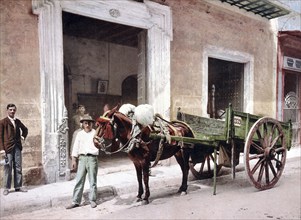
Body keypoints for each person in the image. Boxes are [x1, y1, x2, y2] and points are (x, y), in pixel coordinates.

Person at [66, 115, 99, 209]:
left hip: (92, 158)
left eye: (89, 123)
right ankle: (75, 201)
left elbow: (101, 145)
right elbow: (76, 147)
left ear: (92, 123)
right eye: (85, 123)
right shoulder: (79, 134)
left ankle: (92, 200)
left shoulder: (96, 133)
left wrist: (99, 143)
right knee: (79, 180)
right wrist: (74, 159)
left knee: (92, 180)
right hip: (82, 159)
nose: (87, 125)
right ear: (83, 124)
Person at [0, 103, 28, 196]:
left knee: (18, 166)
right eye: (10, 110)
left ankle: (18, 186)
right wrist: (2, 150)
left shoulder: (17, 121)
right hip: (8, 148)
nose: (12, 111)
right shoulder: (3, 122)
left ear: (15, 111)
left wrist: (23, 137)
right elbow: (0, 137)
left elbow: (25, 129)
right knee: (8, 168)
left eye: (14, 110)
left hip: (17, 147)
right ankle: (6, 188)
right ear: (7, 110)